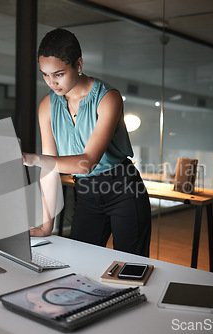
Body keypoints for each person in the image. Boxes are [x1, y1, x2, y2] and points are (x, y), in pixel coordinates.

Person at [23, 28, 151, 257]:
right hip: (86, 193)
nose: (51, 82)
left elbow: (87, 162)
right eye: (45, 74)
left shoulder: (108, 98)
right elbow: (50, 169)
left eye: (59, 74)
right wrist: (46, 225)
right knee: (79, 263)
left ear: (78, 64)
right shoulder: (47, 105)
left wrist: (33, 159)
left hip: (122, 189)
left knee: (131, 268)